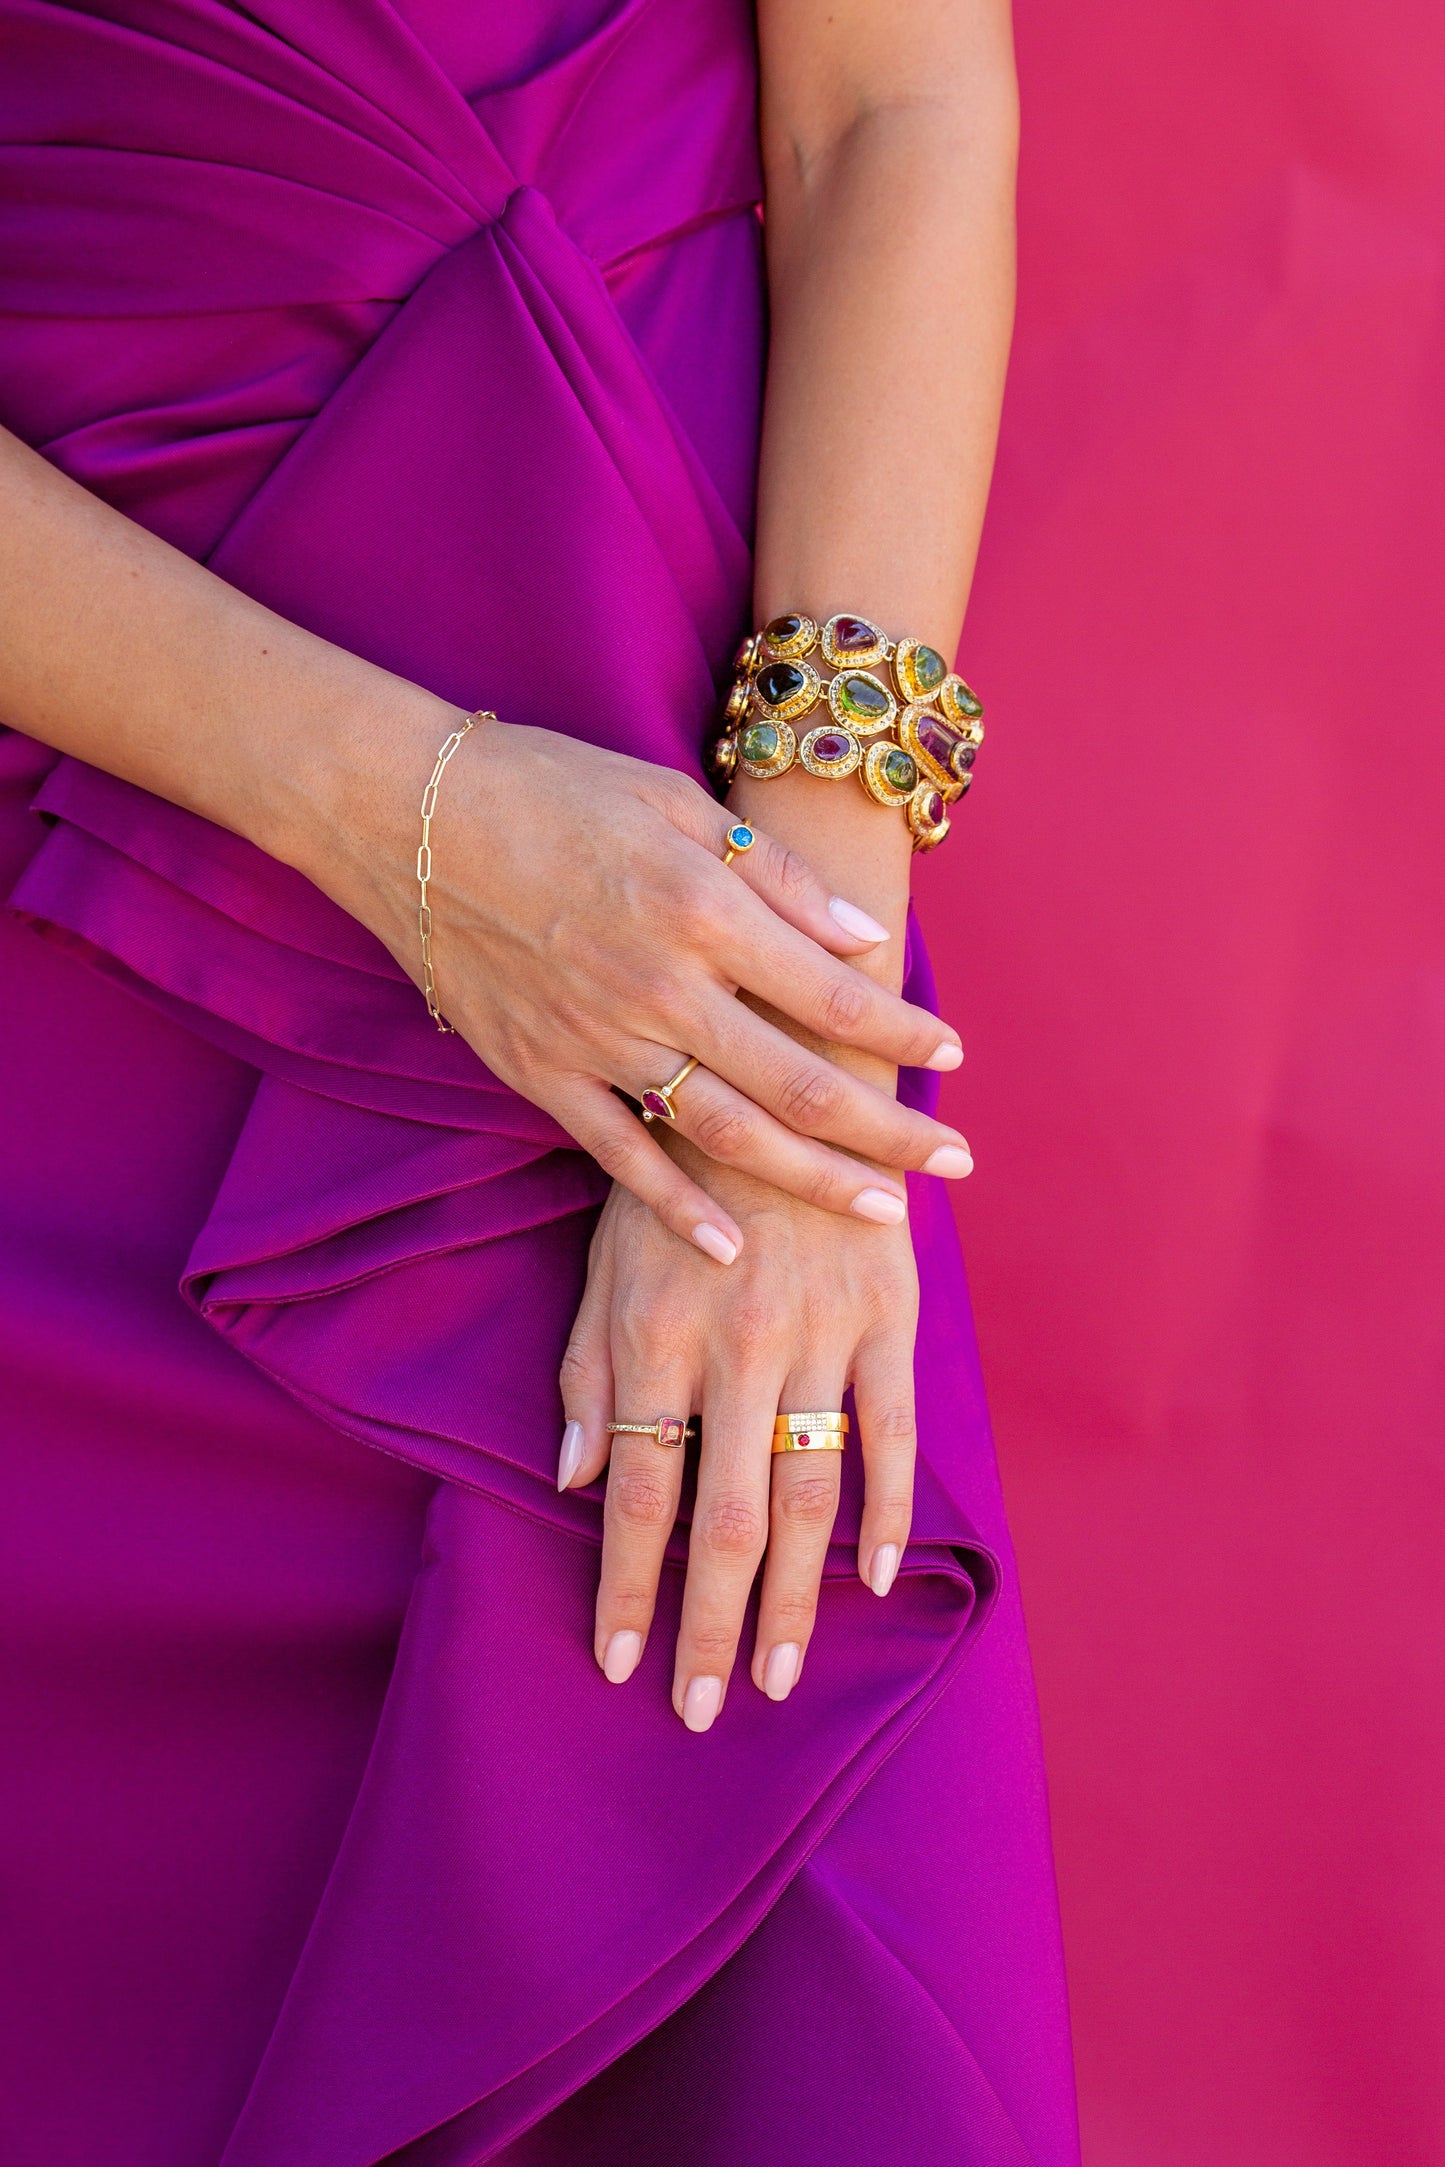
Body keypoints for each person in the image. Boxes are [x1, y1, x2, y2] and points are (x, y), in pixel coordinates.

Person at [0, 1, 1080, 2160]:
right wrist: (431, 830)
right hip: (85, 900)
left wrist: (784, 1037)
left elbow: (899, 100)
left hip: (699, 839)